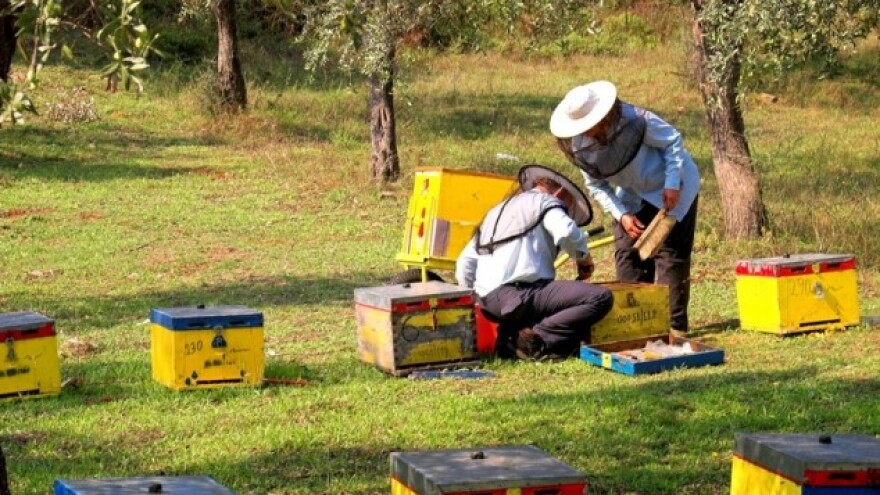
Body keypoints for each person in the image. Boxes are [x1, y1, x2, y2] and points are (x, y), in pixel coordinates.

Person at [550, 80, 700, 333]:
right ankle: (634, 323)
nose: (587, 132)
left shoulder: (638, 120)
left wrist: (672, 183)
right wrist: (622, 215)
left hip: (674, 186)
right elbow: (597, 186)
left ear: (605, 115)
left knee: (669, 254)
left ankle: (672, 327)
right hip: (633, 194)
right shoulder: (581, 147)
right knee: (627, 252)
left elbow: (672, 140)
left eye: (591, 125)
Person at [455, 164, 613, 360]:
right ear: (560, 191)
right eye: (568, 203)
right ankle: (534, 341)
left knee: (545, 300)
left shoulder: (496, 211)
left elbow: (464, 263)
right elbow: (566, 231)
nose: (567, 209)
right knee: (599, 297)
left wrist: (476, 298)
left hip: (489, 302)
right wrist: (583, 259)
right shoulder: (546, 202)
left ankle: (510, 340)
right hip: (519, 295)